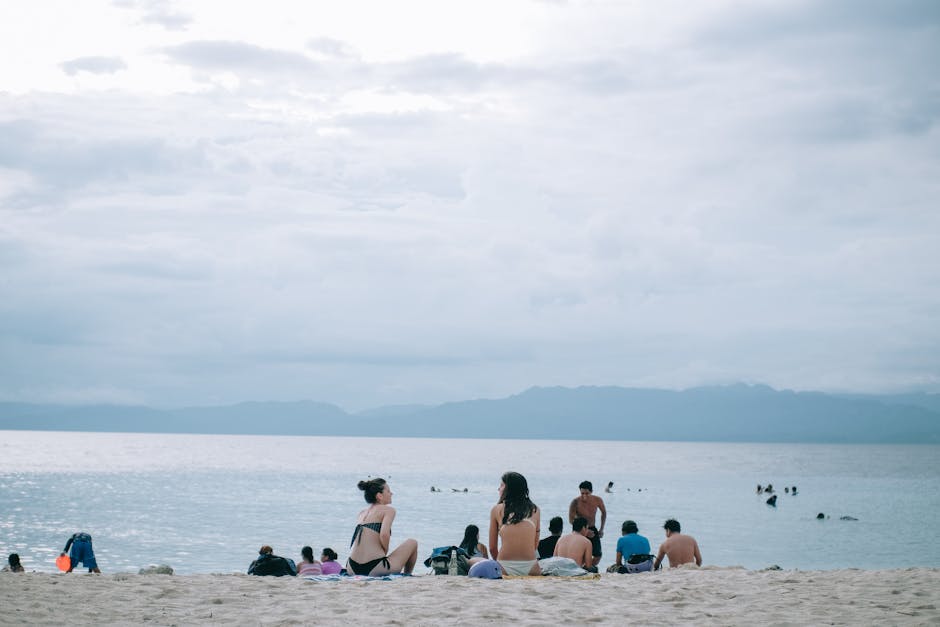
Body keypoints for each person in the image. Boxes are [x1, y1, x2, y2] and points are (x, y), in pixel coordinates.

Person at [347, 477, 418, 576]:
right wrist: (384, 551)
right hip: (375, 566)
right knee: (412, 542)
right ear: (379, 496)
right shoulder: (388, 510)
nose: (391, 493)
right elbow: (384, 534)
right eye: (388, 491)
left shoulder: (362, 513)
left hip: (351, 568)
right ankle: (407, 575)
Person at [488, 471, 541, 576]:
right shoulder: (535, 510)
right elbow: (535, 545)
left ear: (509, 489)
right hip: (530, 565)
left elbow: (492, 547)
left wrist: (498, 564)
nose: (499, 489)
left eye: (502, 485)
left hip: (504, 565)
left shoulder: (496, 510)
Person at [569, 480, 607, 564]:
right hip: (579, 530)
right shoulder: (575, 502)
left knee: (598, 555)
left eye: (587, 493)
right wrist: (585, 531)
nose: (584, 496)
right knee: (579, 554)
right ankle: (580, 567)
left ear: (591, 492)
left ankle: (588, 567)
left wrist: (601, 529)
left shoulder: (597, 500)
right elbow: (571, 520)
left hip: (592, 528)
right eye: (582, 493)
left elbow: (604, 512)